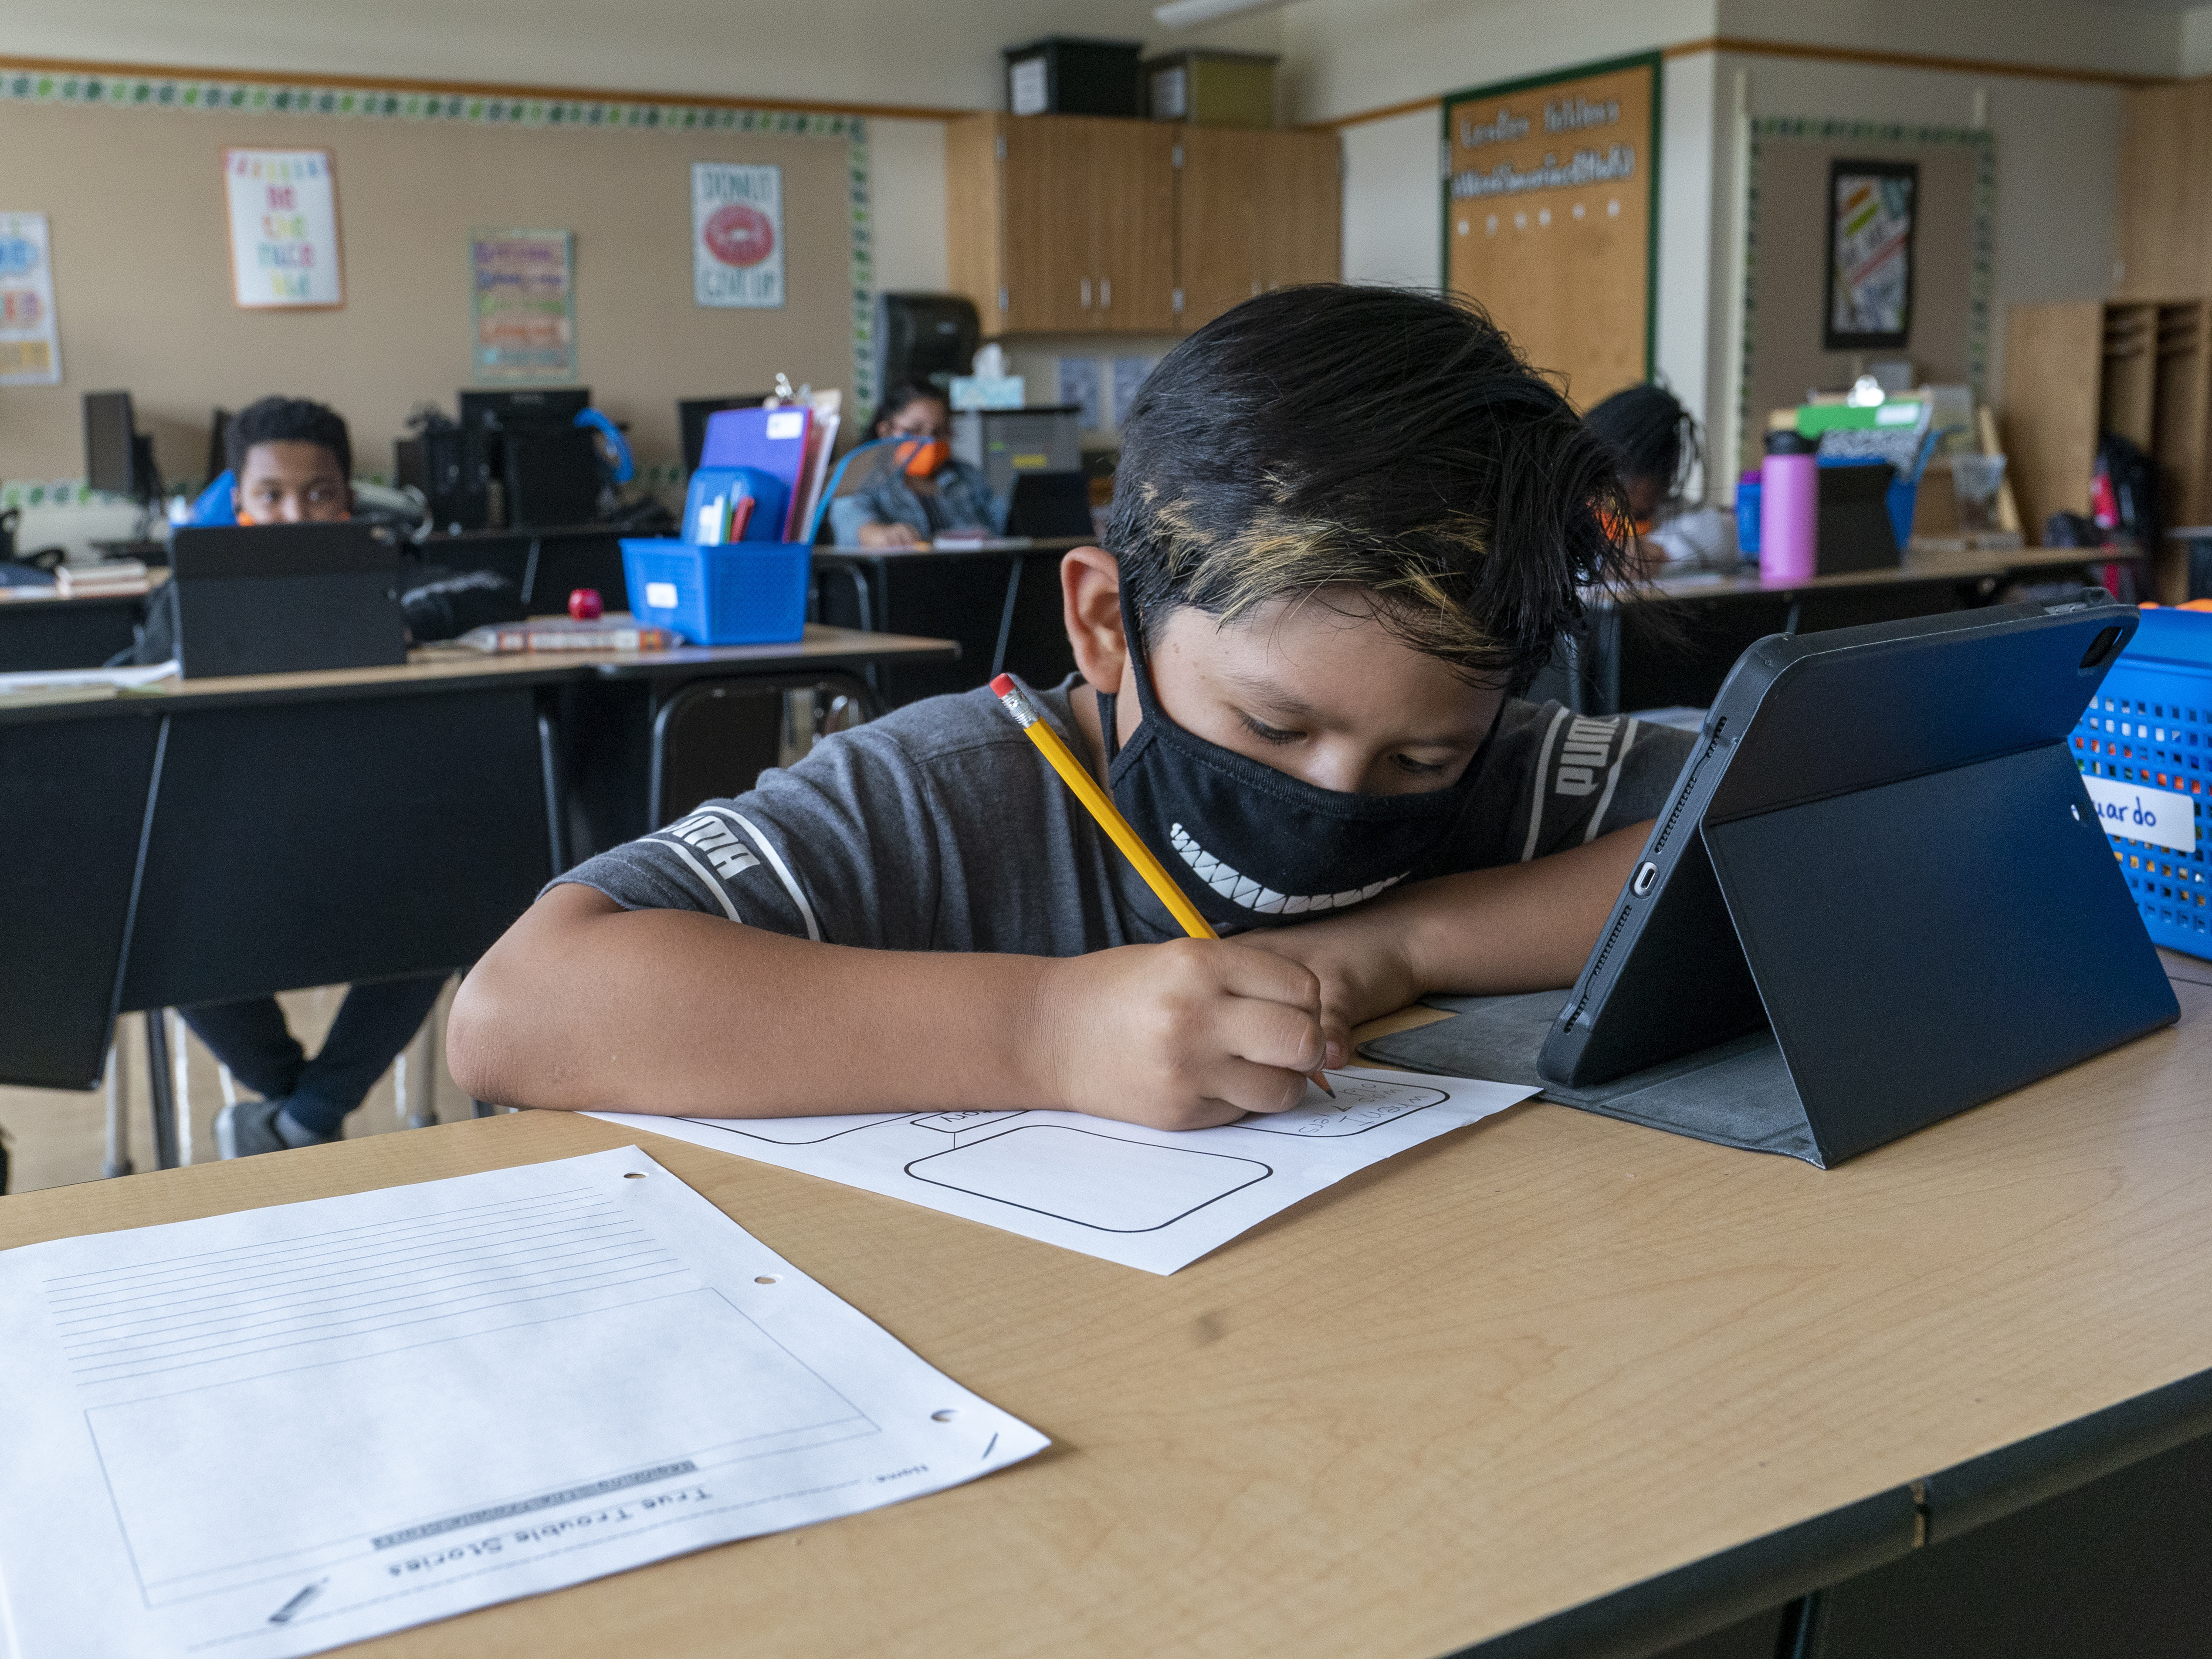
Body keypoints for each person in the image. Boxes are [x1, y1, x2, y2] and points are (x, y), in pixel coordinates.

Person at [446, 285, 1694, 1132]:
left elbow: (1759, 826)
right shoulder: (947, 795)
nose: (1333, 794)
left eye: (1421, 755)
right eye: (1269, 728)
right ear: (1104, 624)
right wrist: (1043, 1033)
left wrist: (1400, 945)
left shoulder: (1508, 770)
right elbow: (516, 1012)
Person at [156, 396, 453, 1158]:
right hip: (233, 844)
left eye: (318, 492)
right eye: (271, 495)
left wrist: (398, 620)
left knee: (460, 897)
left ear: (348, 497)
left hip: (375, 834)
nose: (296, 512)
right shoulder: (190, 594)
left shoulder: (393, 568)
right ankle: (306, 1109)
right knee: (155, 920)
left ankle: (293, 1123)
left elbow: (489, 595)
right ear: (239, 502)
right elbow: (136, 672)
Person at [1582, 383, 1736, 572]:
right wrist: (1602, 560)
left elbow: (1726, 534)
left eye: (1639, 514)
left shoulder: (1668, 515)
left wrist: (1666, 552)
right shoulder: (1566, 509)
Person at [845, 384, 1006, 548]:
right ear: (886, 431)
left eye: (940, 432)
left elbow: (1004, 526)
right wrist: (877, 533)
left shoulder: (970, 477)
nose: (930, 441)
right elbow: (853, 522)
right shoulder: (859, 480)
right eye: (915, 430)